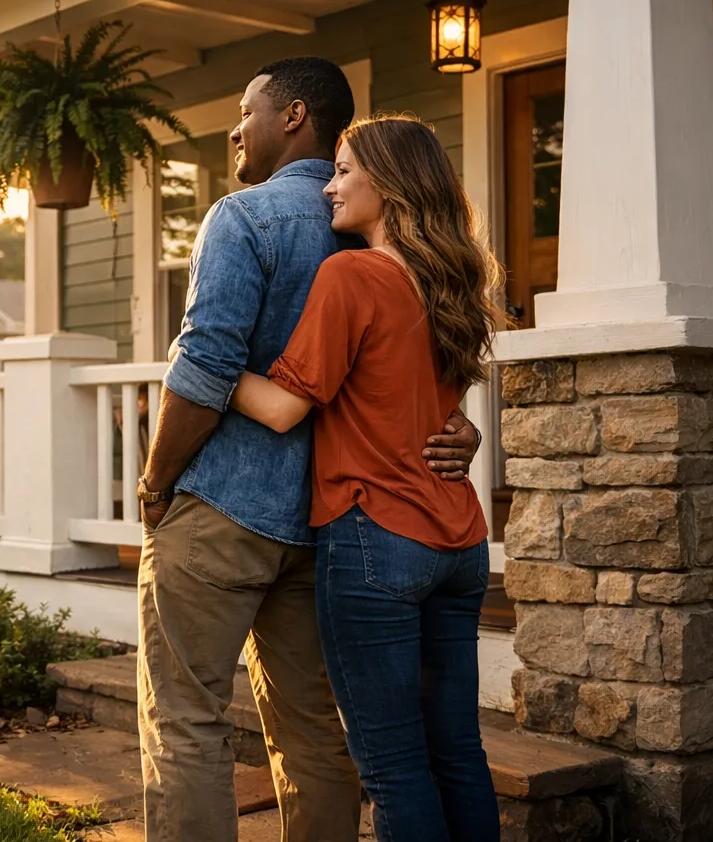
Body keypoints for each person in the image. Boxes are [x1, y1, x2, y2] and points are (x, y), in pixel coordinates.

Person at [136, 58, 482, 842]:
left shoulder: (245, 217)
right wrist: (463, 428)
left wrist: (157, 481)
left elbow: (210, 367)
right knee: (314, 732)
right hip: (324, 529)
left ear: (293, 116)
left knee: (187, 721)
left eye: (245, 108)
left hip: (225, 506)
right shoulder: (376, 240)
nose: (234, 128)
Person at [229, 115, 504, 841]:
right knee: (458, 753)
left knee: (392, 768)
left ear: (390, 183)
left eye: (346, 170)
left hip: (374, 537)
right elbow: (433, 405)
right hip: (460, 543)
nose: (329, 186)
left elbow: (285, 408)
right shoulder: (452, 282)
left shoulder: (350, 273)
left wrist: (205, 370)